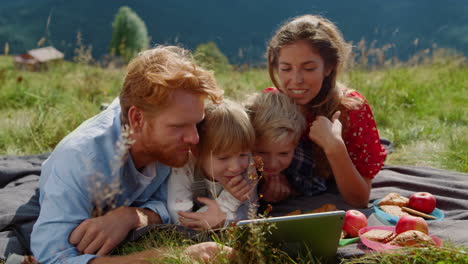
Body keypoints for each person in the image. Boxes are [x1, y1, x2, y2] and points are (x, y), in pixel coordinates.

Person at [30, 45, 232, 264]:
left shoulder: (172, 143)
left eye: (197, 123)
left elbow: (169, 203)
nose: (194, 139)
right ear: (137, 119)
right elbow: (53, 257)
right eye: (179, 126)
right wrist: (174, 258)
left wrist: (132, 217)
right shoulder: (81, 160)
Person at [265, 15, 387, 208]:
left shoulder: (352, 110)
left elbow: (360, 199)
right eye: (286, 68)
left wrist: (334, 147)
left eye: (309, 68)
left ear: (329, 67)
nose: (296, 80)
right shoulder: (269, 105)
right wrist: (272, 176)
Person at [167, 100, 258, 230]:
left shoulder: (247, 168)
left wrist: (222, 222)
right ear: (196, 151)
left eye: (243, 154)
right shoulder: (184, 166)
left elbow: (250, 218)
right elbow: (181, 220)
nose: (236, 167)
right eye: (223, 158)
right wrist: (228, 201)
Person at [245, 91, 319, 203]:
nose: (272, 163)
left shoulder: (299, 158)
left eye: (283, 153)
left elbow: (318, 185)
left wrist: (291, 188)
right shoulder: (236, 164)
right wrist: (261, 196)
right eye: (262, 152)